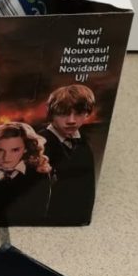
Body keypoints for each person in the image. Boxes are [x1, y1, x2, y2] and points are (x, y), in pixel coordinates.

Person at [40, 84, 96, 224]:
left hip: (80, 221)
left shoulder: (83, 142)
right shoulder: (39, 144)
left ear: (87, 114)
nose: (71, 120)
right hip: (49, 223)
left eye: (78, 113)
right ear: (52, 114)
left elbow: (88, 187)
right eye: (63, 113)